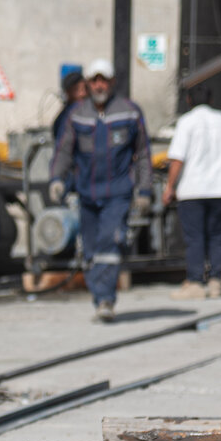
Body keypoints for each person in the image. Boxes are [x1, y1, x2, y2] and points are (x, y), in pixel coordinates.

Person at [49, 59, 153, 322]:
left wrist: (144, 190)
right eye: (94, 80)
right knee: (92, 250)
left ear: (112, 81)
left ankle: (105, 299)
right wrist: (57, 179)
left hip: (117, 193)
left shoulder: (129, 112)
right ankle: (100, 298)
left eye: (103, 80)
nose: (99, 85)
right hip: (87, 193)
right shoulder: (77, 114)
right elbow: (64, 150)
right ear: (88, 83)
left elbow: (142, 154)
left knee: (110, 242)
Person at [163, 87, 221, 299]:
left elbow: (177, 158)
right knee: (216, 235)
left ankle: (195, 281)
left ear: (188, 100)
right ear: (211, 98)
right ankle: (215, 281)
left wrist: (170, 186)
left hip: (192, 189)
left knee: (195, 237)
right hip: (218, 188)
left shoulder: (186, 122)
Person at [52, 70, 87, 141]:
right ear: (68, 92)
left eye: (85, 89)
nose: (82, 94)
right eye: (77, 90)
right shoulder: (63, 119)